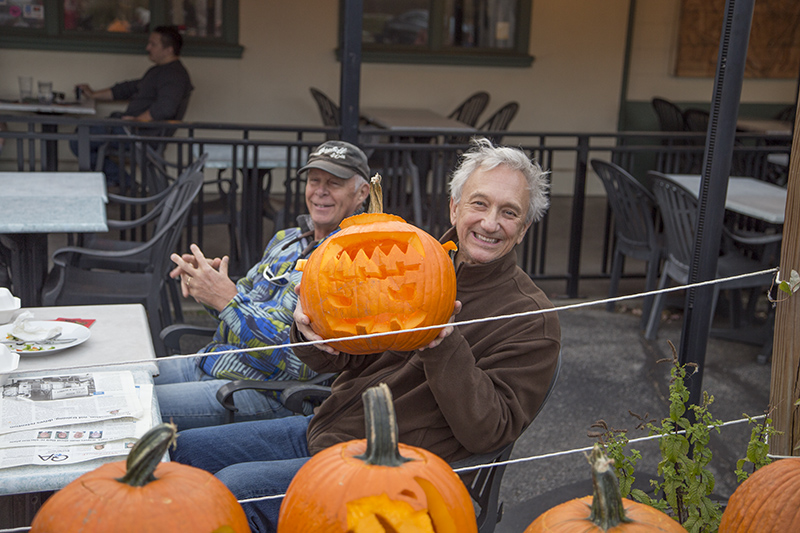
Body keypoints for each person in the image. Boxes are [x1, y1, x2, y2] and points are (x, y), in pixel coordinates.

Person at [170, 137, 561, 532]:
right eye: (479, 204)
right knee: (186, 452)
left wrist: (443, 344)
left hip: (399, 472)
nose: (490, 223)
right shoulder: (413, 259)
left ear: (523, 229)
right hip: (330, 428)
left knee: (237, 491)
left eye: (509, 212)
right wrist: (309, 334)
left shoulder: (532, 319)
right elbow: (346, 354)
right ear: (455, 207)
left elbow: (490, 431)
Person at [154, 141, 371, 430]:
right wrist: (207, 284)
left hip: (262, 392)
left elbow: (305, 363)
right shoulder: (287, 239)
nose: (320, 191)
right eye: (314, 180)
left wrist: (228, 301)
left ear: (362, 193)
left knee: (137, 405)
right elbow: (238, 302)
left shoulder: (353, 261)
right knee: (121, 379)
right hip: (213, 360)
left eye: (334, 183)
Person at [69, 25, 193, 184]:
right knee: (81, 133)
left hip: (140, 133)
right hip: (132, 129)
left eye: (153, 44)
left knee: (79, 139)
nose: (147, 48)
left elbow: (166, 107)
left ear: (169, 50)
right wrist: (93, 94)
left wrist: (137, 121)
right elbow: (127, 89)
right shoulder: (158, 71)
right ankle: (121, 183)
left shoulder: (174, 75)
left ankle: (122, 183)